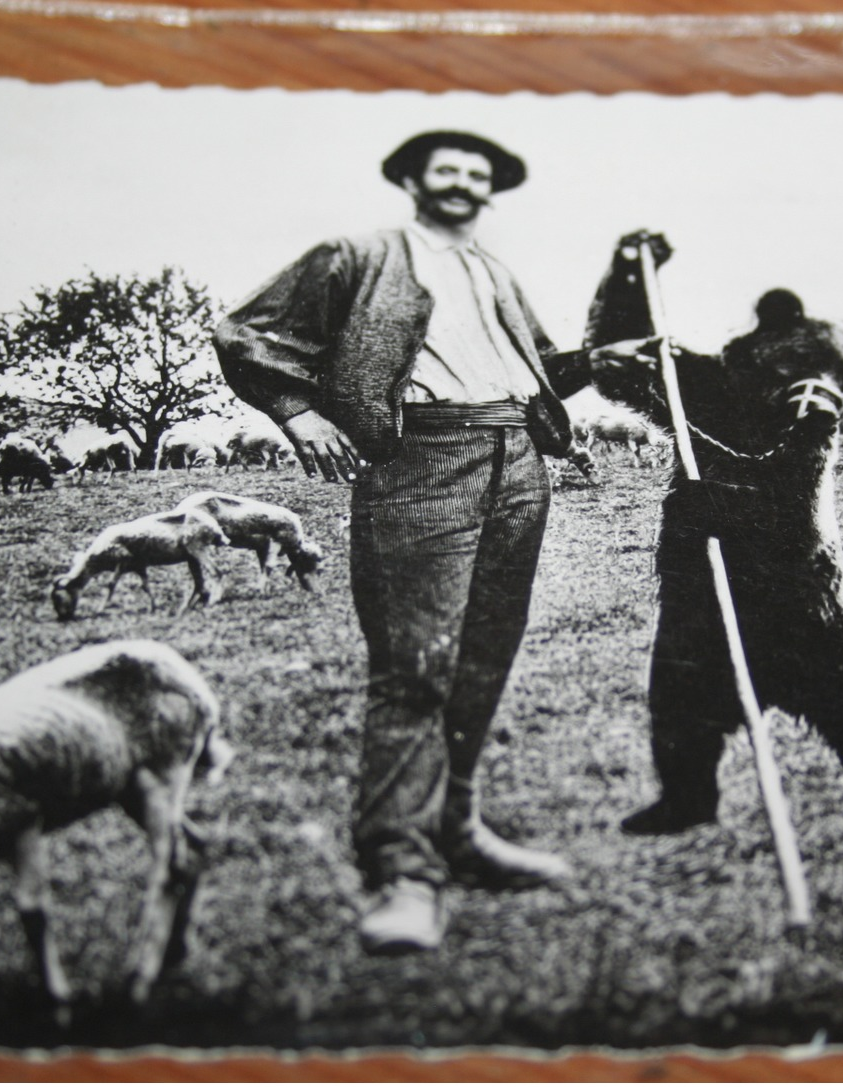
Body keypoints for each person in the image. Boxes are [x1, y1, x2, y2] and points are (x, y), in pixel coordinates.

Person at [214, 131, 643, 954]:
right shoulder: (358, 255)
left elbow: (536, 369)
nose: (462, 183)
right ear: (412, 179)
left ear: (490, 191)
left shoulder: (492, 270)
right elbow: (246, 332)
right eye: (445, 169)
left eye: (477, 175)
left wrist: (601, 357)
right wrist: (298, 415)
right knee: (416, 666)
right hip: (420, 456)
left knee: (482, 655)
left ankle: (456, 831)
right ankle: (401, 872)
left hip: (516, 455)